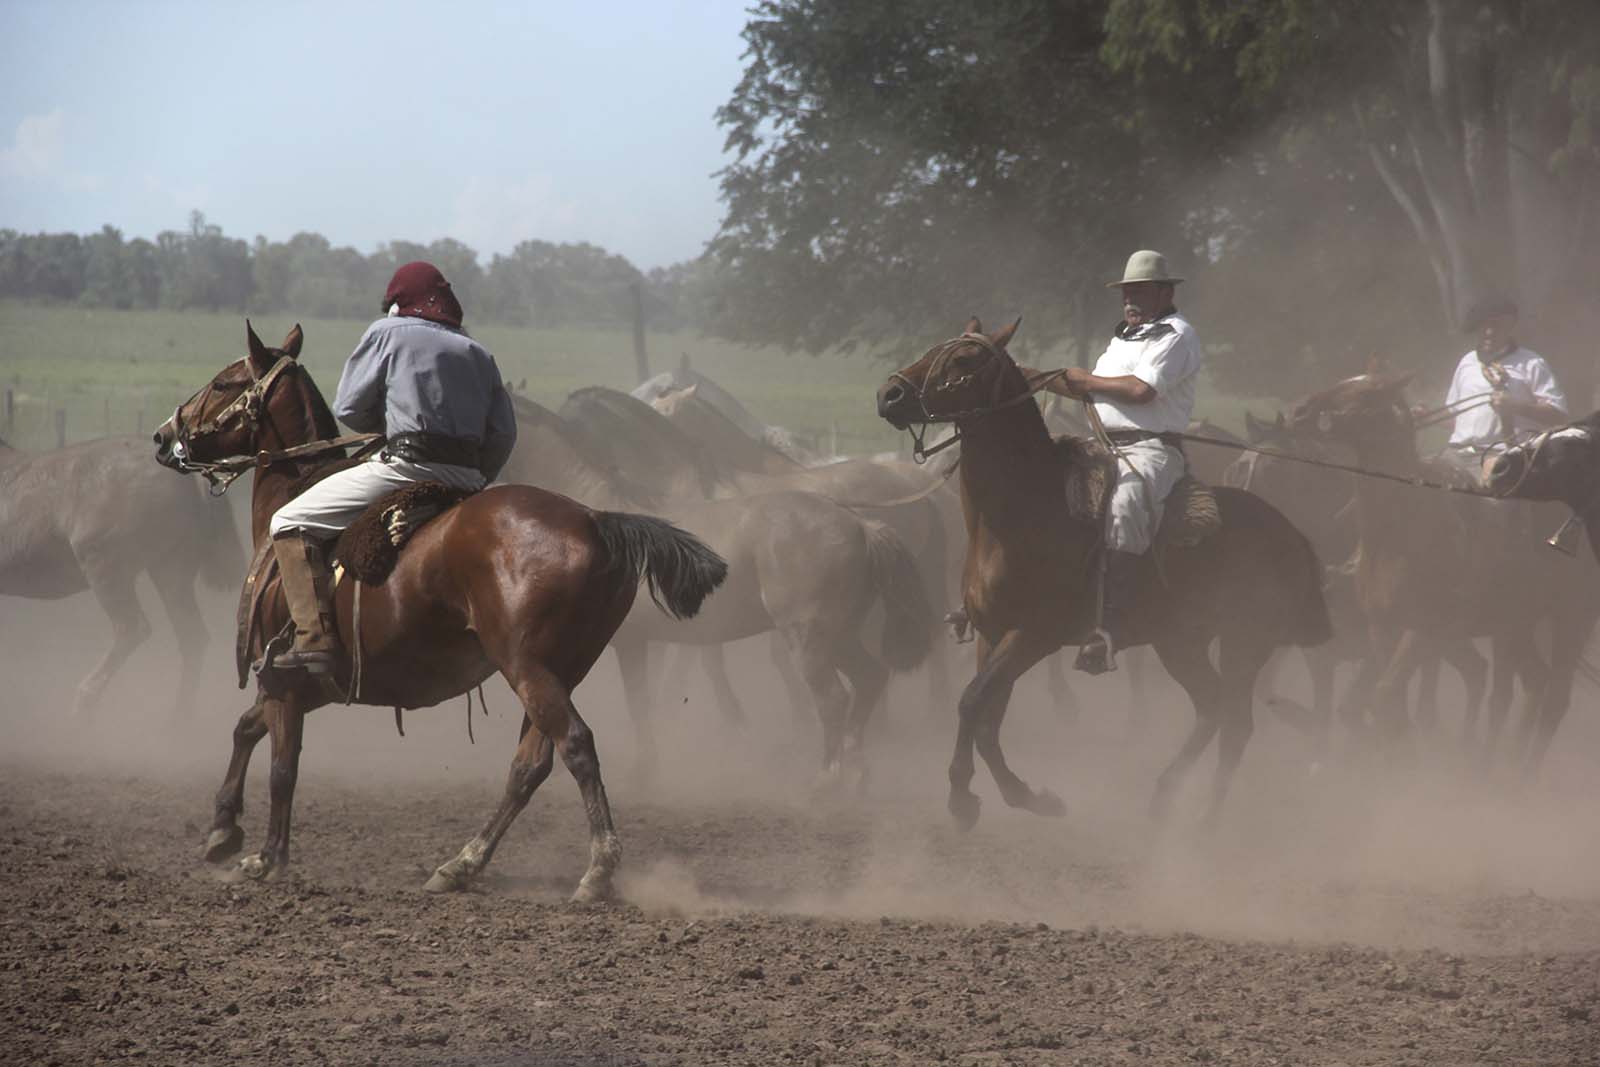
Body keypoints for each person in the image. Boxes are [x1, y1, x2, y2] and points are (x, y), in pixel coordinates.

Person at [267, 261, 518, 674]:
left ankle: (313, 638)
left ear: (399, 304)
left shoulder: (386, 333)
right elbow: (503, 435)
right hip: (469, 479)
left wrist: (390, 423)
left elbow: (348, 406)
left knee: (288, 522)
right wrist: (476, 479)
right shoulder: (477, 351)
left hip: (406, 468)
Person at [1061, 250, 1203, 675]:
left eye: (1139, 292)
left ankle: (1111, 629)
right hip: (1099, 443)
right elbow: (1101, 389)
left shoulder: (1177, 335)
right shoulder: (1123, 336)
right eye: (1126, 292)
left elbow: (1142, 391)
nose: (1130, 300)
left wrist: (1081, 379)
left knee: (1123, 507)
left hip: (1151, 451)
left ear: (1164, 292)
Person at [1439, 295, 1568, 479]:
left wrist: (1515, 407)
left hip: (1502, 456)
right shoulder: (1466, 362)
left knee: (1493, 505)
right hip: (1456, 455)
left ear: (1510, 326)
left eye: (1496, 326)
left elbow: (1558, 416)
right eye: (1484, 326)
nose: (1489, 332)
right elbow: (1456, 418)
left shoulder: (1531, 363)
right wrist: (1425, 415)